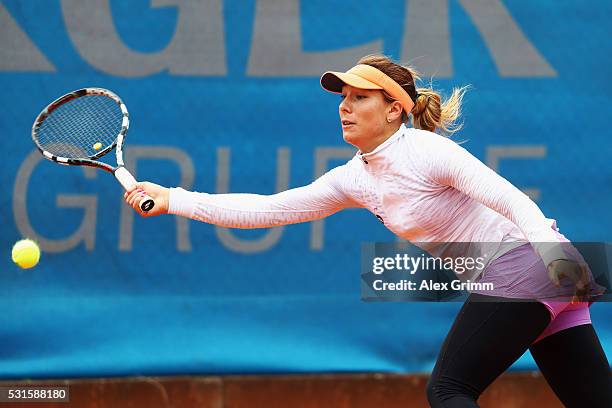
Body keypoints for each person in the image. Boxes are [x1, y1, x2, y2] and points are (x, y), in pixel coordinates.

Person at [124, 55, 611, 407]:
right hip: (547, 277)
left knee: (448, 390)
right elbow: (269, 209)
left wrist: (553, 257)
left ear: (395, 109)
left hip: (529, 262)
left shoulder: (423, 150)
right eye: (343, 99)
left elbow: (510, 198)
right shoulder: (353, 177)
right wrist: (174, 199)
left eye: (360, 98)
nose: (345, 107)